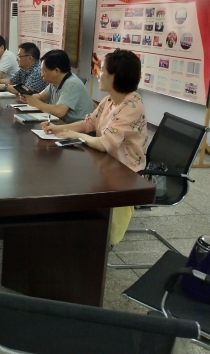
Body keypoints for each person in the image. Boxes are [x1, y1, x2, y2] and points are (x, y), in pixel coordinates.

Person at [42, 49, 147, 246]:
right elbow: (88, 123)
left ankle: (93, 239)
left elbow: (104, 143)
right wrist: (59, 128)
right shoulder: (109, 100)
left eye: (103, 70)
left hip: (124, 170)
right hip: (106, 162)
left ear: (115, 76)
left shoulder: (131, 107)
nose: (98, 74)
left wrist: (75, 135)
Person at [24, 49, 94, 123]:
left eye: (44, 71)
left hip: (79, 127)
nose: (41, 74)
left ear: (56, 71)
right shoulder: (55, 82)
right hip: (63, 123)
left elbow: (59, 111)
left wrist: (36, 103)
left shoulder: (71, 83)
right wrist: (28, 97)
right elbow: (40, 97)